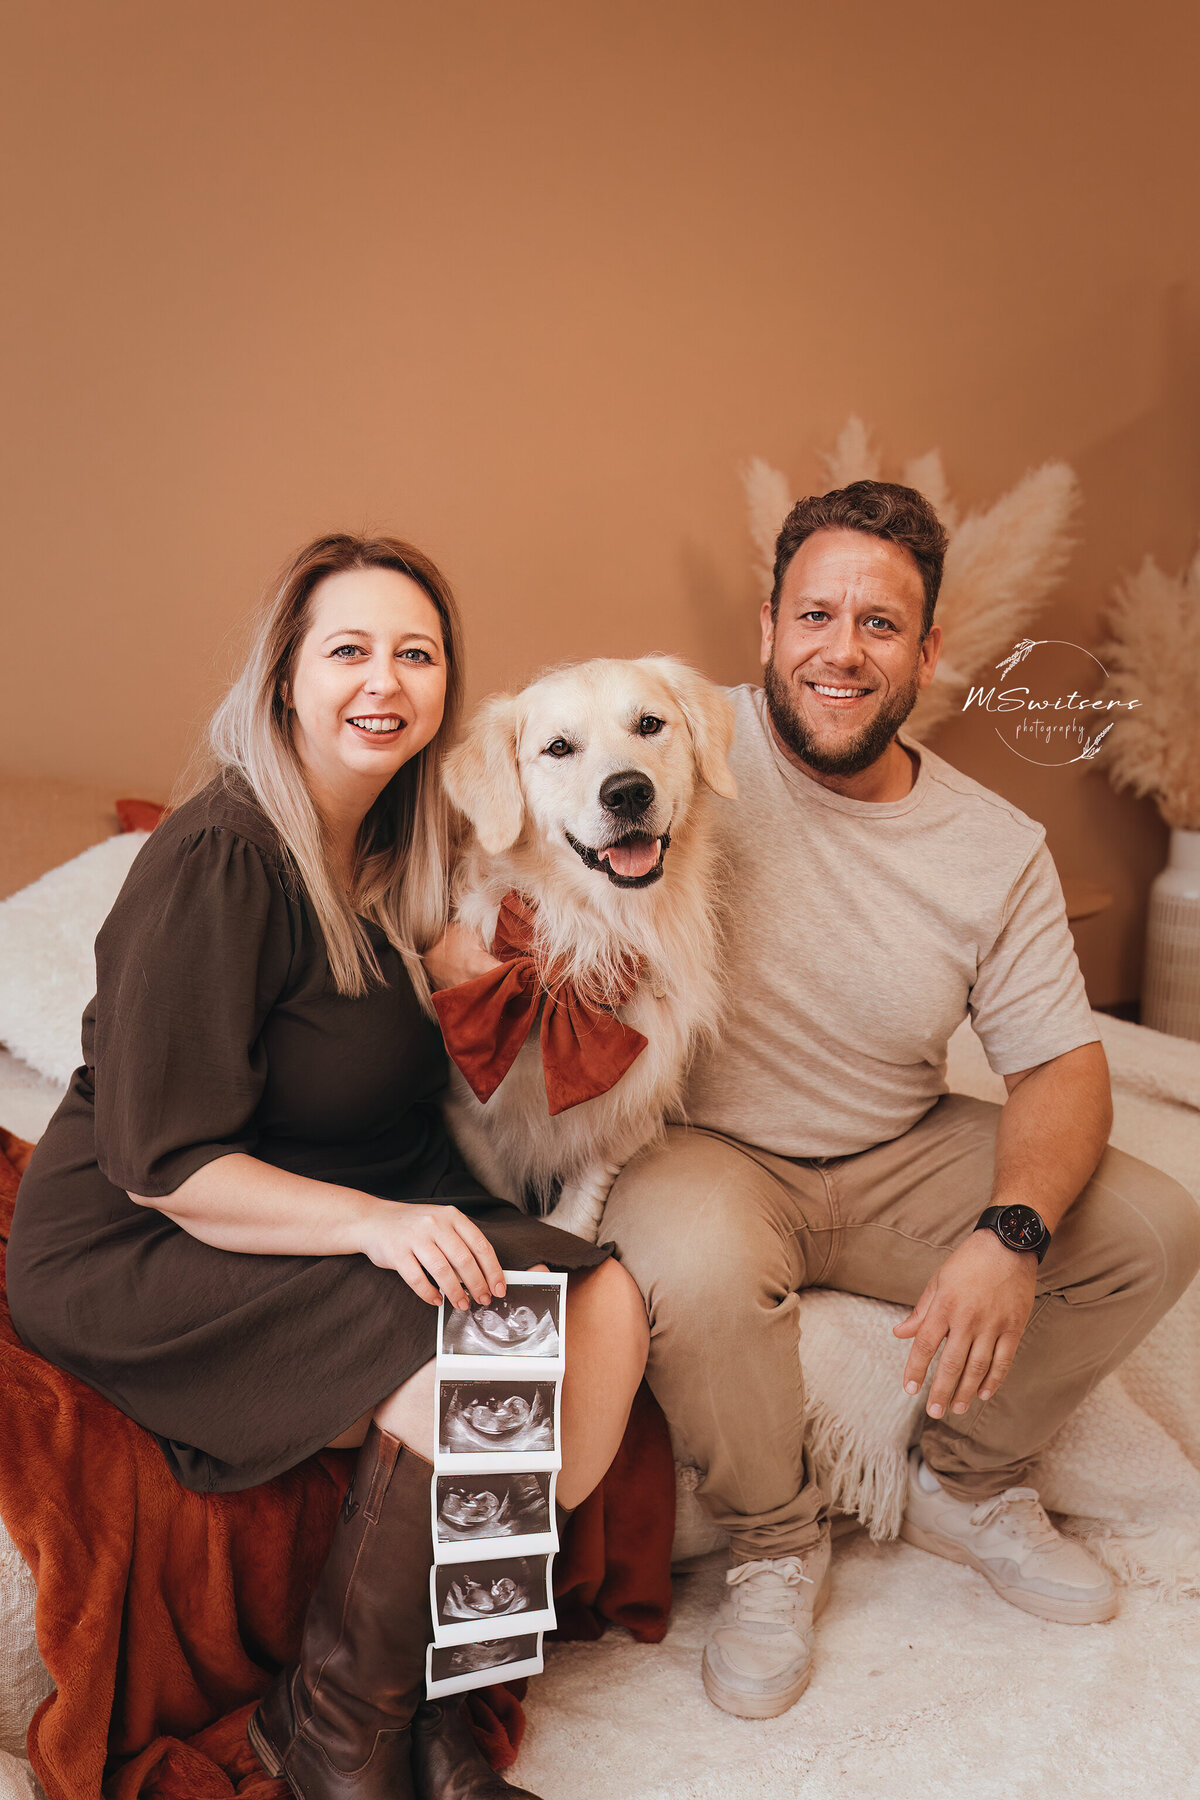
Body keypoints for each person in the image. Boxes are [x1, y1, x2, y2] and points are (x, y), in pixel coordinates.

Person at [7, 533, 649, 1800]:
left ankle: (435, 1707)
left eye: (416, 654)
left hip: (317, 1204)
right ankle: (341, 1736)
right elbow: (158, 1163)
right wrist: (371, 1226)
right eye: (347, 649)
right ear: (286, 676)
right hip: (146, 1236)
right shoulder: (221, 854)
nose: (384, 681)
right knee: (476, 1352)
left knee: (608, 1302)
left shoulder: (395, 857)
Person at [601, 481, 1200, 1721]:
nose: (841, 648)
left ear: (930, 653)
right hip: (708, 1144)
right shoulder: (675, 740)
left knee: (1154, 1224)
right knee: (696, 1258)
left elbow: (1059, 1064)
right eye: (815, 613)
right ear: (767, 625)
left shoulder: (995, 845)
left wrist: (1012, 1231)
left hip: (893, 1145)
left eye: (881, 624)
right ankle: (776, 1543)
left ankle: (969, 1483)